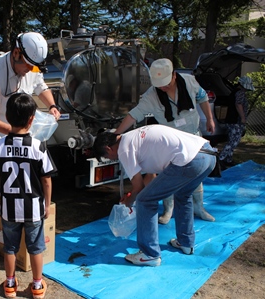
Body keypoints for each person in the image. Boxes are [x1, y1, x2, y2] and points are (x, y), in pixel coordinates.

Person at [0, 32, 61, 262]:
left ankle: (9, 239)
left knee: (22, 187)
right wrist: (9, 130)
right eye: (27, 65)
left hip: (17, 132)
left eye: (33, 67)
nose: (29, 70)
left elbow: (41, 87)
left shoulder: (30, 67)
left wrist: (52, 106)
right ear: (16, 53)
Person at [93, 124, 216, 266]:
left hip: (189, 161)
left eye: (107, 156)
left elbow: (138, 187)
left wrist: (129, 201)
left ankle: (150, 254)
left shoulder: (124, 149)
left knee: (144, 201)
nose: (112, 159)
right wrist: (132, 195)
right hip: (208, 155)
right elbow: (149, 177)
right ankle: (186, 243)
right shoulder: (134, 136)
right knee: (183, 195)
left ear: (109, 148)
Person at [113, 58, 215, 224]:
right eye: (159, 84)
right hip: (170, 145)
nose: (163, 87)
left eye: (165, 83)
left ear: (174, 75)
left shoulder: (189, 81)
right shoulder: (151, 95)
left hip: (192, 138)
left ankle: (199, 207)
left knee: (195, 176)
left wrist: (210, 119)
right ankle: (168, 209)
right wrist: (117, 134)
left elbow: (203, 98)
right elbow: (134, 114)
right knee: (167, 178)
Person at [0, 93, 56, 299]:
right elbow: (46, 180)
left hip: (8, 207)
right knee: (35, 248)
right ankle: (36, 285)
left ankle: (9, 284)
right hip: (33, 207)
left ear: (7, 117)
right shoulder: (38, 147)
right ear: (32, 119)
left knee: (10, 247)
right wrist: (47, 204)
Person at [218, 75, 252, 169]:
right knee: (233, 141)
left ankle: (228, 159)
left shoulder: (234, 92)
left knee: (233, 140)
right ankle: (220, 159)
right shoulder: (240, 93)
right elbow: (238, 104)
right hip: (235, 121)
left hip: (232, 120)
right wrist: (243, 117)